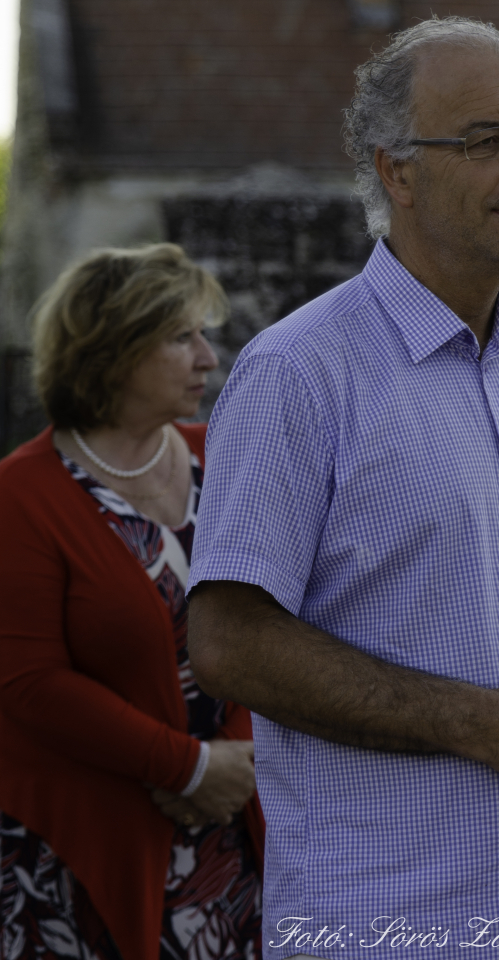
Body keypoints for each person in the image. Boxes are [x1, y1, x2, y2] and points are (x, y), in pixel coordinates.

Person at [186, 15, 499, 960]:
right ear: (395, 171)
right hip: (384, 921)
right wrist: (479, 721)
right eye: (488, 140)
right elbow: (228, 641)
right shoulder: (301, 372)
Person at [0, 244, 264, 960]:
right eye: (182, 336)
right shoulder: (22, 494)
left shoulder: (229, 454)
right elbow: (29, 683)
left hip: (235, 832)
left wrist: (240, 765)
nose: (209, 357)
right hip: (86, 846)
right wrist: (183, 766)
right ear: (112, 349)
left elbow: (288, 621)